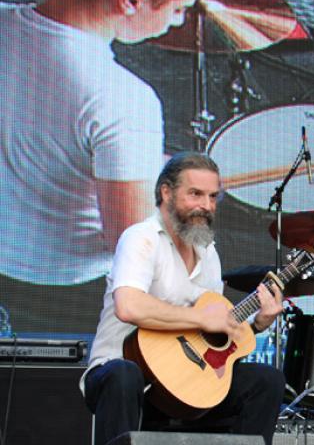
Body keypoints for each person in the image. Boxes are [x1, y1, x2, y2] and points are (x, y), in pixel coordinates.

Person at [0, 0, 198, 333]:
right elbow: (128, 245)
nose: (178, 20)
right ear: (132, 0)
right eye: (178, 8)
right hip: (62, 286)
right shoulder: (124, 99)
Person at [81, 153, 286, 445]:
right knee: (124, 375)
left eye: (213, 196)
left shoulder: (209, 253)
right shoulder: (141, 238)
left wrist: (255, 325)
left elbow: (212, 333)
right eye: (196, 194)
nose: (206, 206)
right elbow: (128, 306)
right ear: (166, 192)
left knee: (267, 381)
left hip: (187, 385)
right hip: (124, 373)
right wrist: (201, 317)